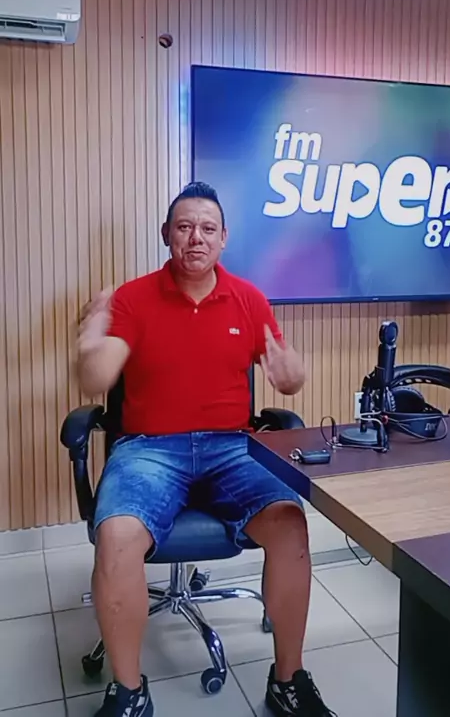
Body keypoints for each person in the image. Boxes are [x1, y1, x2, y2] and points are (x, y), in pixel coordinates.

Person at [77, 182, 336, 717]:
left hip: (231, 448)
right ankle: (129, 693)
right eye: (185, 227)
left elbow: (289, 380)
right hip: (150, 450)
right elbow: (96, 377)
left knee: (290, 523)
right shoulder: (133, 298)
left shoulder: (248, 299)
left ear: (223, 239)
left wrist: (293, 372)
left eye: (207, 228)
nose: (196, 237)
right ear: (167, 234)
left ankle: (288, 680)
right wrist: (92, 334)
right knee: (117, 535)